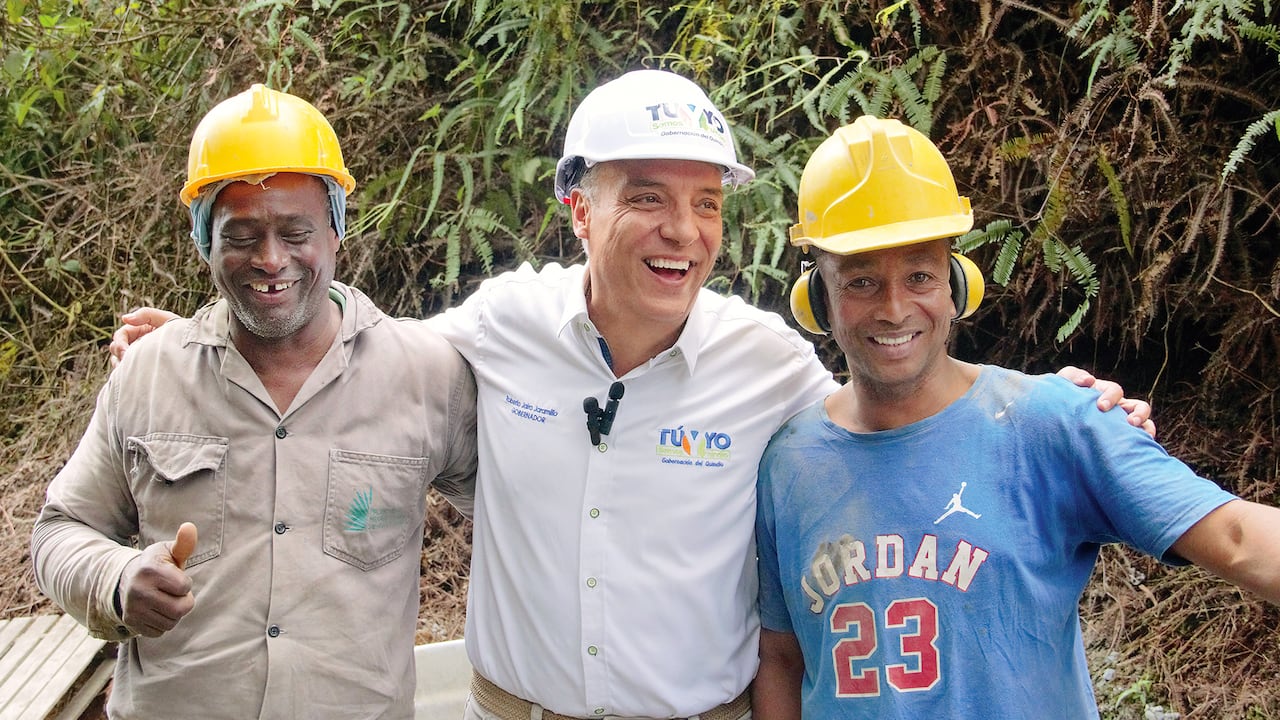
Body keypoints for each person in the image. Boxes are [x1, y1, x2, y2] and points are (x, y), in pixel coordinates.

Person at [108, 71, 1153, 720]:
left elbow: (898, 394)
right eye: (644, 197)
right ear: (577, 208)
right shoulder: (497, 328)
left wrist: (1053, 409)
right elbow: (347, 356)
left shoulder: (769, 367)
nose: (682, 231)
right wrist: (211, 335)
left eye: (703, 204)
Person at [752, 116, 1280, 719]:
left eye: (919, 275)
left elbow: (1237, 539)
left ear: (955, 285)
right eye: (861, 282)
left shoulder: (1050, 422)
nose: (894, 308)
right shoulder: (789, 461)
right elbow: (783, 658)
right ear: (818, 298)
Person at [31, 84, 478, 719]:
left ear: (335, 230)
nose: (271, 260)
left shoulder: (426, 375)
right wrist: (115, 579)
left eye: (296, 231)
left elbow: (514, 519)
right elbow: (60, 530)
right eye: (240, 236)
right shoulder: (149, 376)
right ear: (203, 241)